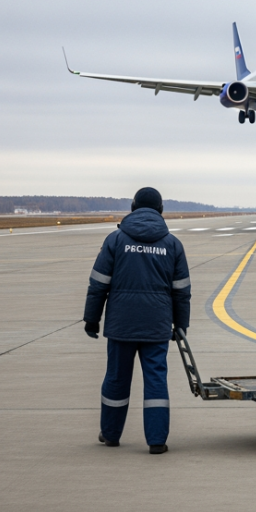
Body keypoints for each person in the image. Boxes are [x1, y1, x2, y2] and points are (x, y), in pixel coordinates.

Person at [83, 187, 191, 454]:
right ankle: (156, 441)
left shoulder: (116, 240)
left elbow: (98, 284)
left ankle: (110, 435)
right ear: (161, 211)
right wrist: (181, 325)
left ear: (132, 208)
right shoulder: (172, 244)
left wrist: (92, 319)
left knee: (117, 379)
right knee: (156, 380)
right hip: (156, 325)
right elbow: (182, 291)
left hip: (121, 325)